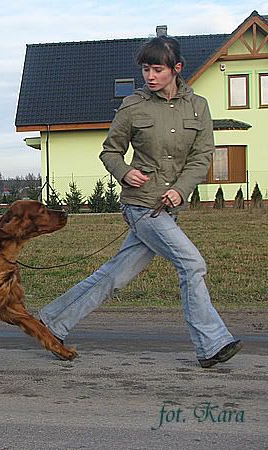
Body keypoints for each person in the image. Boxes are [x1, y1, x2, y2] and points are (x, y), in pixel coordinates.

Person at [39, 35, 241, 368]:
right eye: (146, 69)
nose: (150, 76)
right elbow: (110, 151)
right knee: (192, 264)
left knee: (115, 274)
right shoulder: (133, 105)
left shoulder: (198, 106)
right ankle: (212, 343)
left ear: (176, 68)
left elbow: (202, 156)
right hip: (141, 205)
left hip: (169, 207)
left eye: (157, 69)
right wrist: (124, 171)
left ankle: (52, 322)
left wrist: (181, 189)